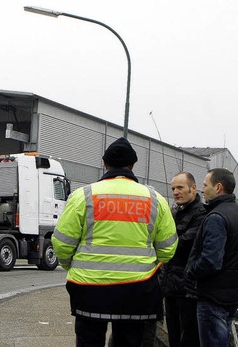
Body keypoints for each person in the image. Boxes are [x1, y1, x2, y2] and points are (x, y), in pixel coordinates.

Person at [52, 137, 178, 347]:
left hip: (89, 288)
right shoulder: (154, 198)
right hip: (138, 291)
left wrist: (71, 265)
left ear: (105, 164)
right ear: (133, 165)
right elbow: (167, 249)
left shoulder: (84, 196)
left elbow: (62, 243)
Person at [185, 168, 238, 347]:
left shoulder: (216, 217)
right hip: (231, 296)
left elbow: (210, 261)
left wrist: (190, 271)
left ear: (218, 187)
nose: (202, 190)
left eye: (205, 185)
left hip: (213, 298)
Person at [162, 172, 206, 347]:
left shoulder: (201, 215)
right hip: (171, 286)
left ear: (193, 188)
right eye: (173, 188)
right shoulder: (175, 212)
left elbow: (181, 244)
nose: (175, 192)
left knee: (188, 339)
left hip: (188, 289)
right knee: (173, 337)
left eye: (180, 187)